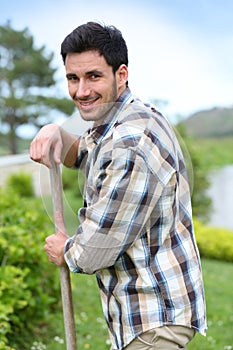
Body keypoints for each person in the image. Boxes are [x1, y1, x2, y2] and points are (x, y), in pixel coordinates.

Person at [30, 22, 207, 350]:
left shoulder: (129, 141)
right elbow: (83, 154)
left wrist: (63, 249)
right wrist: (56, 131)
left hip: (154, 318)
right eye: (73, 78)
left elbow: (94, 251)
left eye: (93, 76)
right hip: (145, 316)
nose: (81, 91)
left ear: (121, 74)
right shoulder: (118, 122)